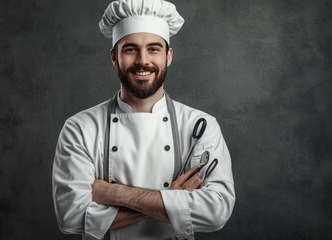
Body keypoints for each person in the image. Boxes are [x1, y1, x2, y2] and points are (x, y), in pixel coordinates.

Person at [52, 0, 235, 239]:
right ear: (114, 57)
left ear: (168, 56)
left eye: (154, 49)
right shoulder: (80, 128)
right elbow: (70, 217)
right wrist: (173, 196)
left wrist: (111, 193)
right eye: (130, 49)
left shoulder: (200, 125)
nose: (142, 61)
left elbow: (216, 210)